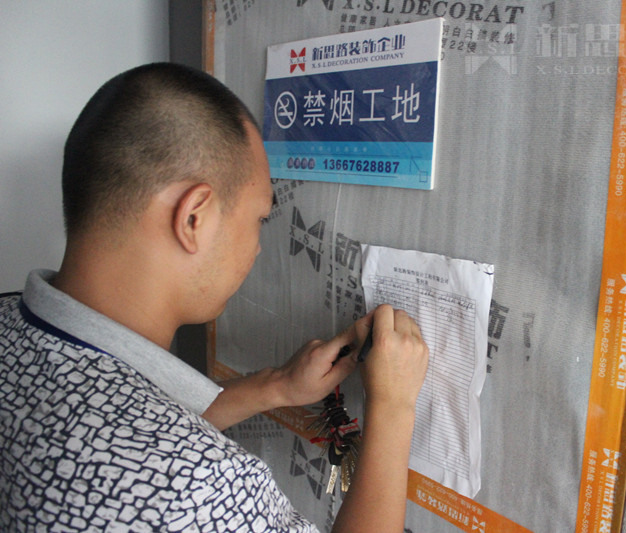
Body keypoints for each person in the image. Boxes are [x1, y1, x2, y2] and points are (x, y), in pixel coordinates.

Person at [0, 62, 429, 532]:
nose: (258, 247)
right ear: (194, 219)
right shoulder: (195, 485)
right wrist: (393, 407)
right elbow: (152, 446)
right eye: (259, 219)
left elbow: (125, 410)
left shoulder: (10, 325)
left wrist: (277, 387)